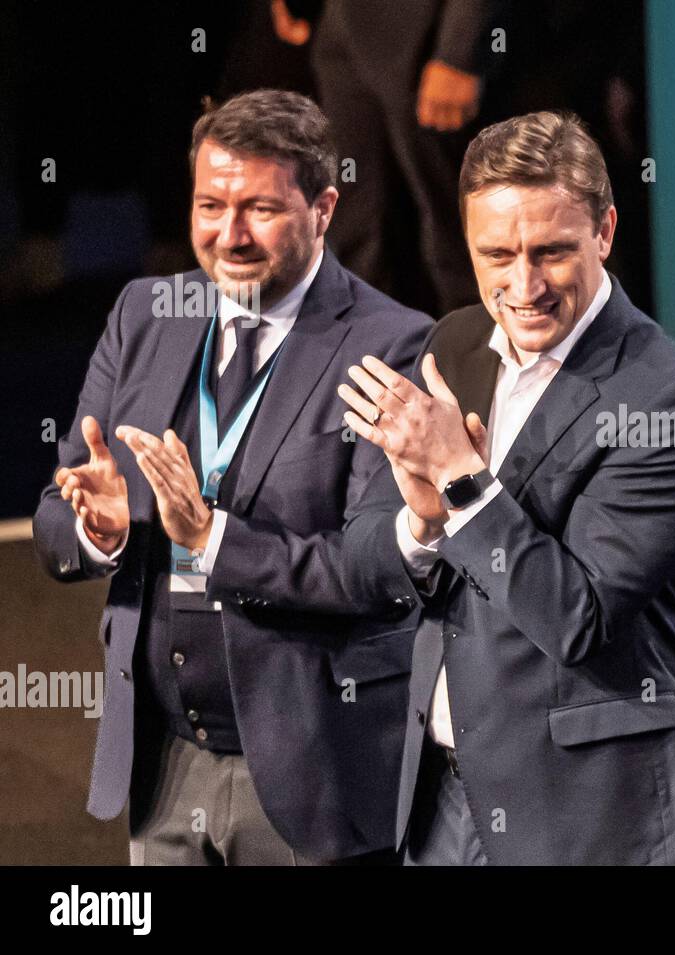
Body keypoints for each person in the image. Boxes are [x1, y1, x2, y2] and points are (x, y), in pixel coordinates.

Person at [32, 90, 431, 864]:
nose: (229, 234)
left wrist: (211, 538)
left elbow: (373, 570)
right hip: (162, 756)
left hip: (310, 766)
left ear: (323, 208)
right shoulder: (146, 311)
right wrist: (102, 527)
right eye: (210, 204)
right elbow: (59, 514)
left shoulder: (392, 343)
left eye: (260, 209)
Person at [336, 111, 675, 865]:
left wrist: (460, 481)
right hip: (440, 800)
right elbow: (362, 557)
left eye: (552, 251)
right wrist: (419, 527)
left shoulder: (673, 403)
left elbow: (576, 617)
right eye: (497, 254)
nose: (524, 286)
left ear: (606, 231)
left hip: (587, 816)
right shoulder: (450, 344)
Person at [272, 0, 504, 316]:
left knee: (458, 233)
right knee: (358, 229)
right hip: (344, 28)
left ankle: (484, 355)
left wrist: (462, 51)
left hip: (427, 41)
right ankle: (374, 350)